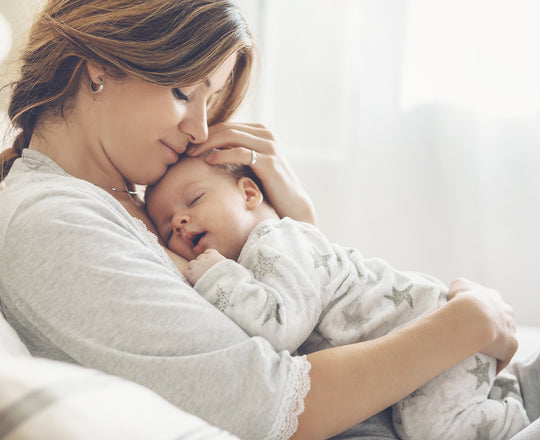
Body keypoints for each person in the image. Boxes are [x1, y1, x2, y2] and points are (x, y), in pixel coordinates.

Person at [0, 1, 533, 439]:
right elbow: (270, 403)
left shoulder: (135, 202)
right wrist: (469, 323)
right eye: (184, 92)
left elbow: (312, 327)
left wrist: (299, 227)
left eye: (210, 103)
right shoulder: (52, 223)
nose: (199, 128)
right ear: (98, 71)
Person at [145, 155, 530, 440]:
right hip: (432, 340)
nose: (178, 221)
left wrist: (216, 275)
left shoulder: (275, 240)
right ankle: (508, 391)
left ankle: (518, 419)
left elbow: (280, 327)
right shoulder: (261, 257)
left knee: (432, 431)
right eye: (166, 228)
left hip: (438, 333)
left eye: (193, 200)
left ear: (248, 193)